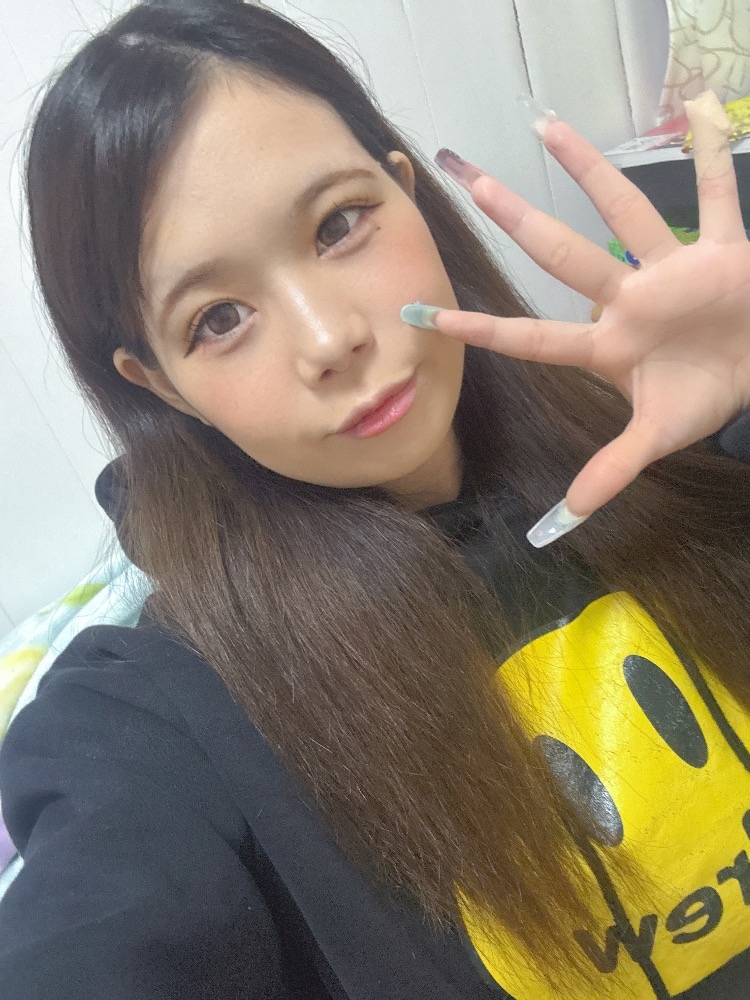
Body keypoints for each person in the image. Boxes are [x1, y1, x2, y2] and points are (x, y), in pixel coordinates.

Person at [0, 0, 748, 997]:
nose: (329, 339)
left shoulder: (670, 446)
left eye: (339, 224)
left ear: (407, 191)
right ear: (161, 385)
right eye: (218, 318)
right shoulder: (158, 713)